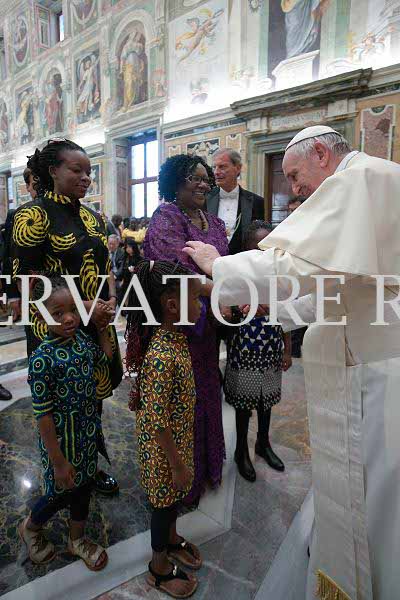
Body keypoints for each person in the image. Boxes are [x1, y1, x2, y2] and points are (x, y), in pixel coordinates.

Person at [183, 125, 400, 599]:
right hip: (378, 355)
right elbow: (338, 286)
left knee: (377, 494)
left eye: (296, 176)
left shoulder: (358, 180)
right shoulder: (381, 178)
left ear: (321, 153)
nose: (295, 189)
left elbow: (295, 268)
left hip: (377, 373)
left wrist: (219, 265)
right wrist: (275, 309)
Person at [10, 139, 122, 495]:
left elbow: (105, 267)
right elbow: (28, 281)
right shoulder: (33, 216)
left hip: (97, 323)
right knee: (61, 405)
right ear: (53, 171)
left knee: (91, 400)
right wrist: (84, 306)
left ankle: (89, 463)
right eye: (77, 170)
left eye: (89, 171)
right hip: (57, 330)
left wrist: (110, 300)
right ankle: (59, 466)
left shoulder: (92, 217)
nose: (86, 177)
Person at [143, 154, 229, 504]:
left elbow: (226, 265)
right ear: (174, 182)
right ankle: (183, 478)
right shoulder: (166, 217)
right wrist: (225, 291)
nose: (203, 184)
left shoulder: (215, 222)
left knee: (208, 391)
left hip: (211, 326)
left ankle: (208, 467)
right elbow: (175, 273)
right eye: (195, 177)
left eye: (206, 178)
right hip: (182, 322)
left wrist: (228, 291)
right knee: (183, 399)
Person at [19, 275, 110, 570]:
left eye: (73, 309)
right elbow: (43, 416)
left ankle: (77, 540)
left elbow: (104, 359)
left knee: (83, 489)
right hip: (61, 445)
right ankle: (31, 527)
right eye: (58, 313)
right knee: (58, 494)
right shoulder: (42, 360)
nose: (69, 318)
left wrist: (103, 330)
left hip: (86, 436)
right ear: (41, 316)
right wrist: (57, 461)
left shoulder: (81, 341)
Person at [125, 260, 202, 598]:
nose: (200, 306)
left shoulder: (175, 340)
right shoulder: (161, 355)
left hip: (175, 442)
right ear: (172, 306)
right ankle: (158, 568)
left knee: (172, 501)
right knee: (162, 506)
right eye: (195, 299)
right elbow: (157, 422)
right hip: (163, 453)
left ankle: (171, 540)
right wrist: (177, 464)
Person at [224, 221, 292, 482]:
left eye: (269, 247)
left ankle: (263, 443)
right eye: (258, 248)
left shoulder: (278, 278)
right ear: (246, 250)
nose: (264, 254)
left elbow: (287, 315)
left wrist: (287, 350)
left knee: (267, 401)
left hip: (271, 348)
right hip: (245, 349)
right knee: (244, 405)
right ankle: (241, 450)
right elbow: (226, 314)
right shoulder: (237, 277)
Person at [207, 148, 264, 254]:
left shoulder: (257, 202)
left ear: (238, 168)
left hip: (243, 261)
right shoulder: (204, 200)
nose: (216, 172)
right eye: (214, 167)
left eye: (222, 167)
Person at [118, 237, 141, 306]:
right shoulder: (125, 257)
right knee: (122, 297)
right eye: (127, 247)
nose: (128, 249)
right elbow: (122, 270)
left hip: (135, 281)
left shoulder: (139, 258)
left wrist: (134, 270)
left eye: (130, 247)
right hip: (126, 281)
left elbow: (140, 269)